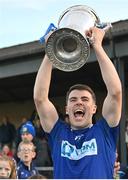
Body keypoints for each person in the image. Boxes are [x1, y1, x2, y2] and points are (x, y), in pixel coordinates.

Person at [34, 26, 122, 178]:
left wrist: (97, 46)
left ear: (94, 108)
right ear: (67, 109)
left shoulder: (104, 131)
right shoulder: (58, 132)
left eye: (85, 99)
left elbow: (115, 93)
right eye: (73, 100)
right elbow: (40, 99)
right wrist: (51, 49)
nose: (79, 102)